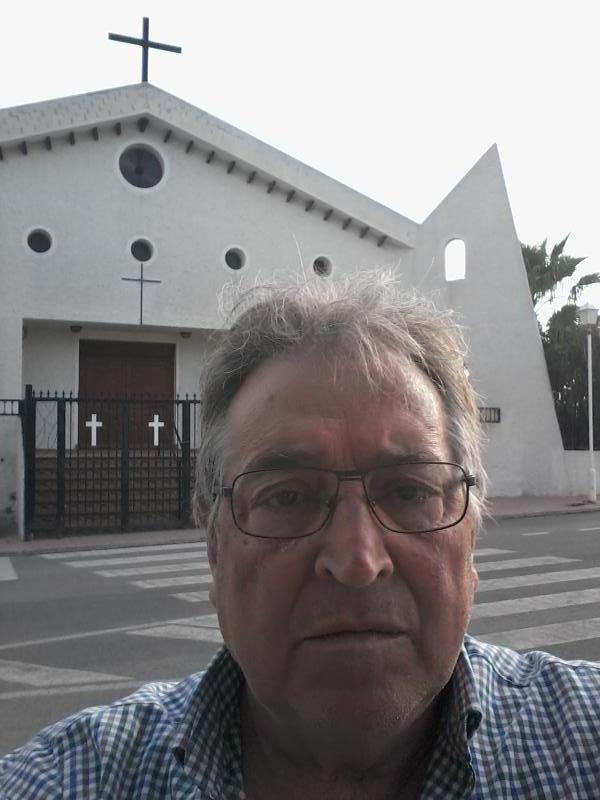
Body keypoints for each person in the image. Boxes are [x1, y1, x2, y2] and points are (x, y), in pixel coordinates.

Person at [1, 271, 599, 799]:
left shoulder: (583, 739)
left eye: (410, 491)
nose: (357, 561)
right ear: (214, 545)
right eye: (286, 497)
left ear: (469, 537)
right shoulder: (69, 780)